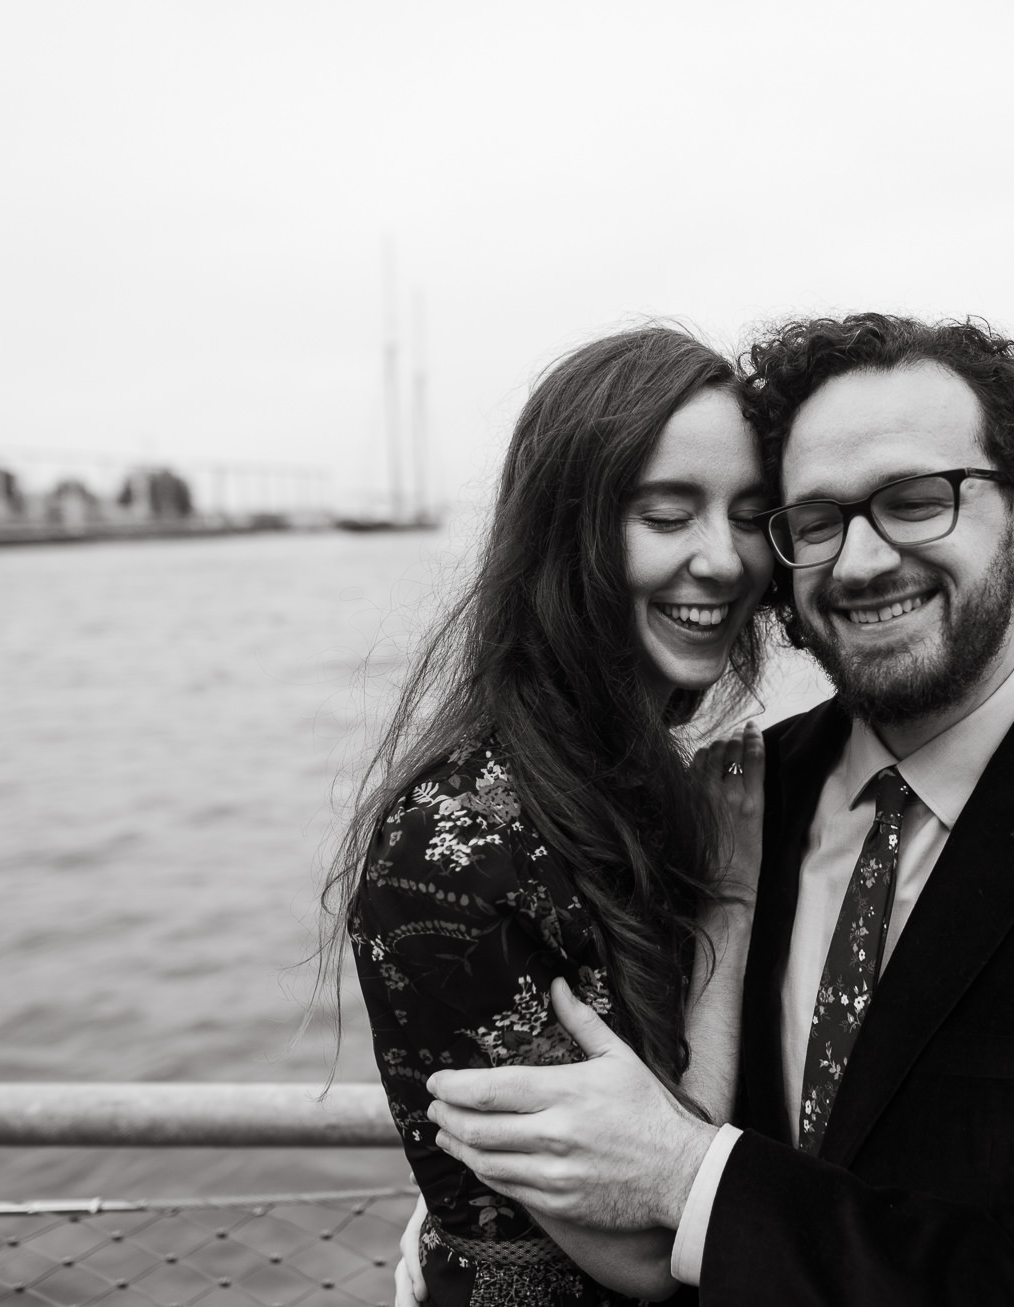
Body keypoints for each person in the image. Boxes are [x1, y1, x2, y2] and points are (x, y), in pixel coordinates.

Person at [419, 313, 1014, 1306]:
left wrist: (695, 1177)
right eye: (815, 519)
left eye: (911, 500)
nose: (856, 562)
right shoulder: (723, 795)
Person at [329, 325, 775, 1305]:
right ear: (565, 529)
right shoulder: (454, 860)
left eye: (750, 514)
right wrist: (733, 905)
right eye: (668, 513)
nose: (726, 558)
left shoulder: (631, 769)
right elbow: (648, 1244)